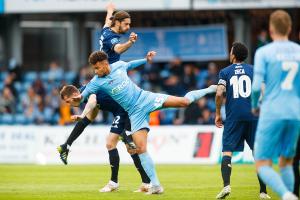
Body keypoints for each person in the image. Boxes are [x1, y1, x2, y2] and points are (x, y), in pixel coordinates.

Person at [62, 50, 216, 194]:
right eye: (94, 69)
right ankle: (155, 186)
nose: (95, 71)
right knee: (140, 149)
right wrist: (79, 100)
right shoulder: (96, 81)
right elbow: (86, 97)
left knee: (184, 102)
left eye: (97, 67)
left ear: (104, 63)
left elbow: (130, 64)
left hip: (145, 98)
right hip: (134, 113)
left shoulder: (118, 66)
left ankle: (210, 89)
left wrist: (146, 59)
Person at [58, 85, 151, 193]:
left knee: (113, 144)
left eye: (68, 101)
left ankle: (115, 183)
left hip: (127, 109)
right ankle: (145, 183)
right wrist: (67, 144)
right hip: (124, 111)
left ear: (74, 95)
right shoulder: (88, 98)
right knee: (126, 147)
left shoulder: (87, 92)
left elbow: (92, 101)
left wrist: (82, 114)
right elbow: (86, 121)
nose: (69, 105)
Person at [251, 10, 300, 200]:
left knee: (262, 164)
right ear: (289, 28)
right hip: (296, 113)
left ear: (271, 30)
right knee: (286, 163)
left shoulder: (264, 52)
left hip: (272, 111)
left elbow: (256, 87)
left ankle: (286, 195)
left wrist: (255, 105)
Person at [215, 42, 270, 199]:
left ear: (233, 55)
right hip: (254, 116)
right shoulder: (254, 70)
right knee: (257, 153)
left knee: (227, 151)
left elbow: (219, 93)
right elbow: (264, 91)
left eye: (231, 51)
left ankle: (226, 186)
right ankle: (263, 192)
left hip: (234, 117)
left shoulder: (225, 72)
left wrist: (218, 113)